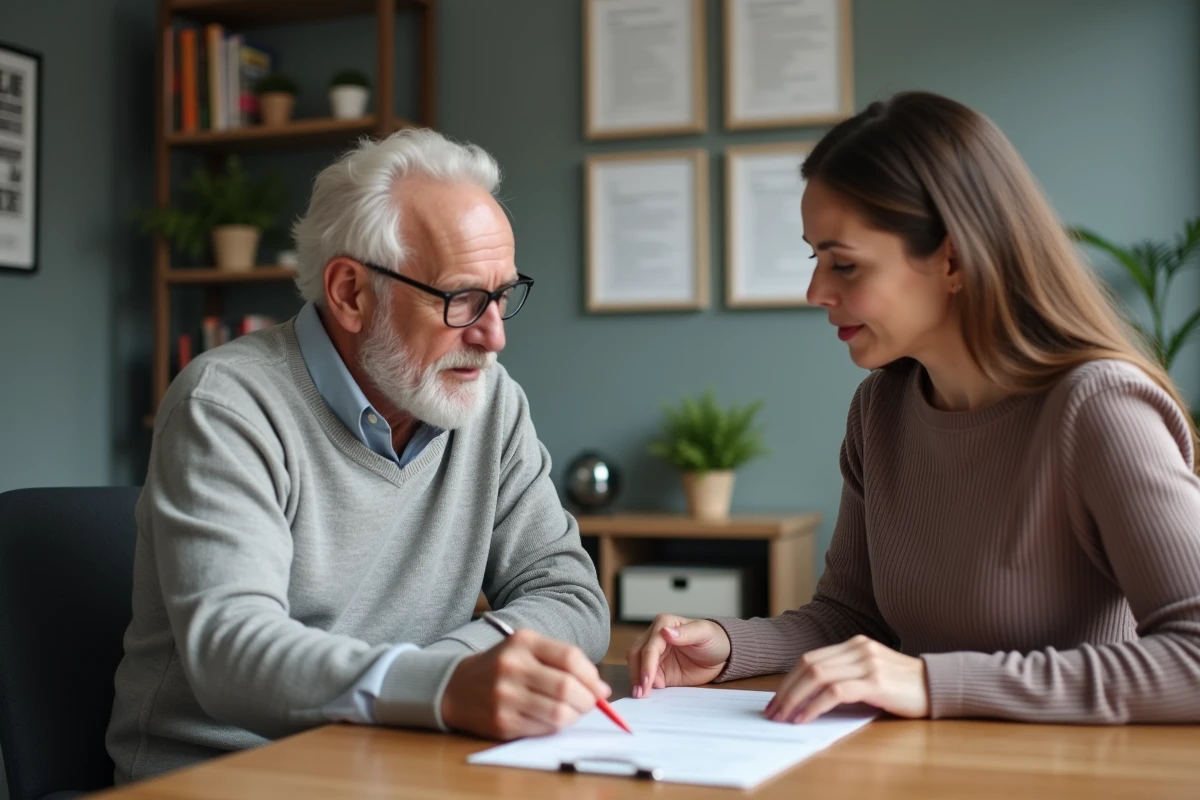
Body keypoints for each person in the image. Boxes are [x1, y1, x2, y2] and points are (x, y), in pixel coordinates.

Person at [627, 91, 1200, 725]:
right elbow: (851, 617)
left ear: (952, 258)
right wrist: (729, 647)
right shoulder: (881, 410)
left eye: (844, 263)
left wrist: (935, 682)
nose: (817, 291)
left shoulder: (1100, 409)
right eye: (814, 258)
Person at [107, 129, 611, 783]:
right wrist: (443, 684)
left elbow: (569, 594)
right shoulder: (228, 403)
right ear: (349, 292)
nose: (494, 336)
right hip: (226, 774)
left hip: (407, 758)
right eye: (462, 299)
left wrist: (453, 675)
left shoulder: (490, 401)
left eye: (502, 295)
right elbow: (229, 651)